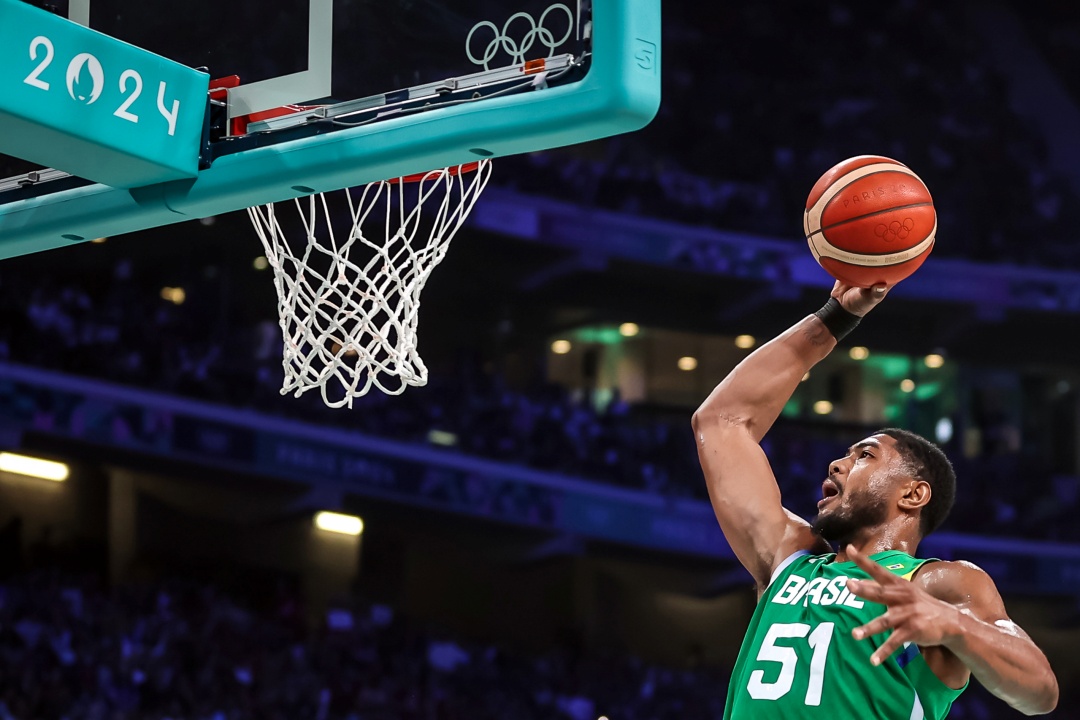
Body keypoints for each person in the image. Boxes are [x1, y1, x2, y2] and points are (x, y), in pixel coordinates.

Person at [692, 282, 1058, 719]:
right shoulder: (787, 557)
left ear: (913, 493)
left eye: (864, 454)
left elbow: (1040, 692)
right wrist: (834, 317)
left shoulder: (938, 583)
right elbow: (721, 422)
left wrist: (954, 626)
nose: (835, 464)